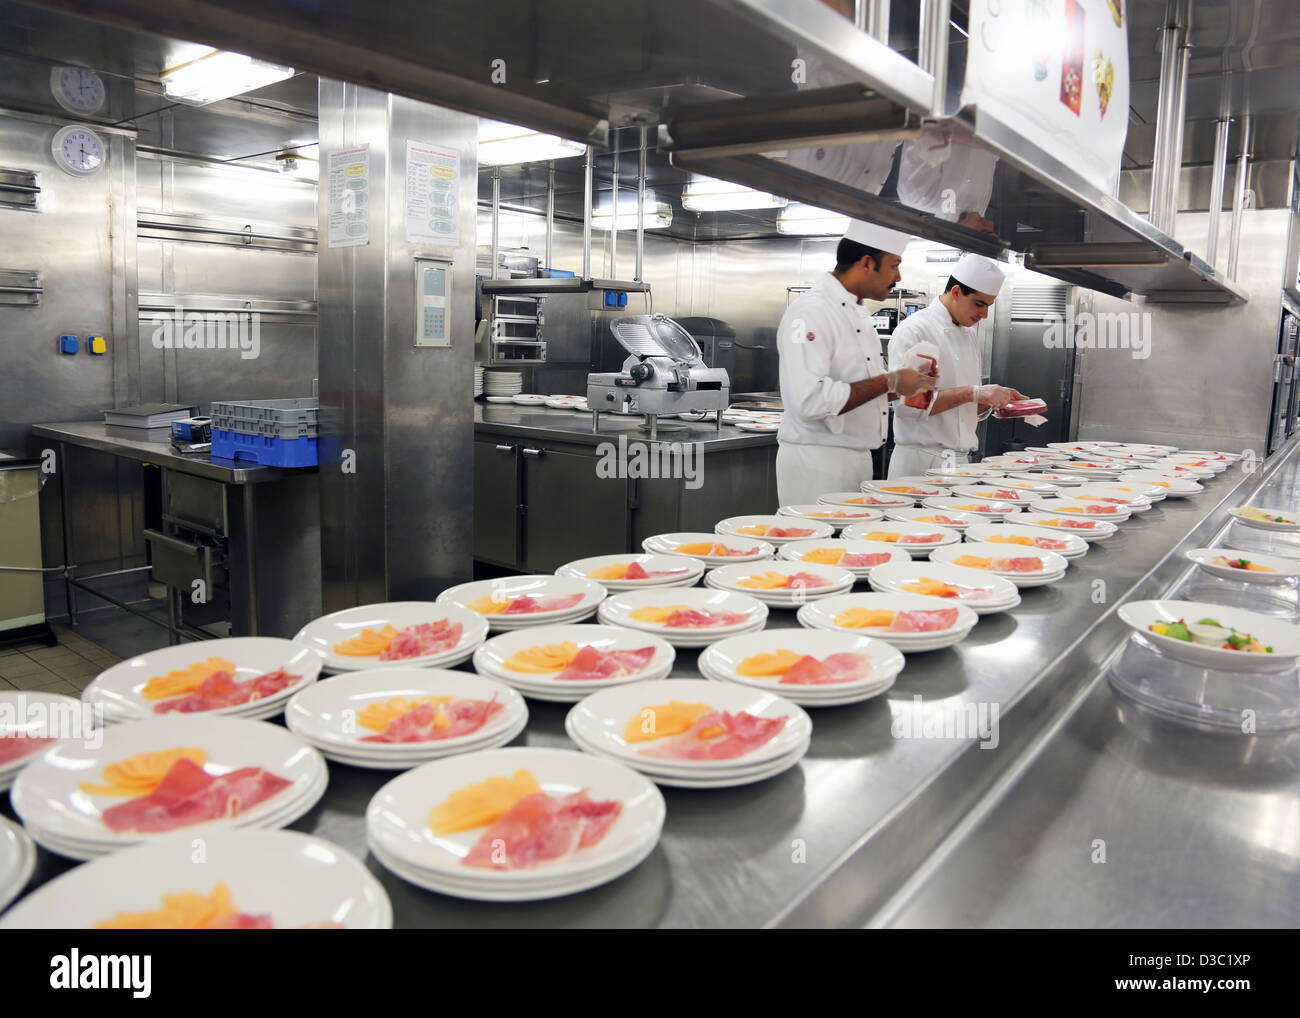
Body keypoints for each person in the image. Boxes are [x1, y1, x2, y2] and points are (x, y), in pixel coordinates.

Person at [775, 220, 936, 506]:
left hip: (856, 459)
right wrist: (890, 381)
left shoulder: (858, 314)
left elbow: (859, 388)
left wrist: (905, 384)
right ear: (866, 263)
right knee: (817, 549)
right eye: (894, 265)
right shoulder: (811, 312)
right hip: (818, 462)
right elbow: (809, 401)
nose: (898, 277)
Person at [886, 253, 1024, 478]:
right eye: (979, 304)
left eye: (989, 306)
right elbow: (910, 406)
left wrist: (991, 402)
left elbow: (964, 411)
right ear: (956, 292)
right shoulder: (916, 331)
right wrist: (974, 393)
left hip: (960, 463)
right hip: (921, 465)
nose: (984, 314)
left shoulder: (969, 336)